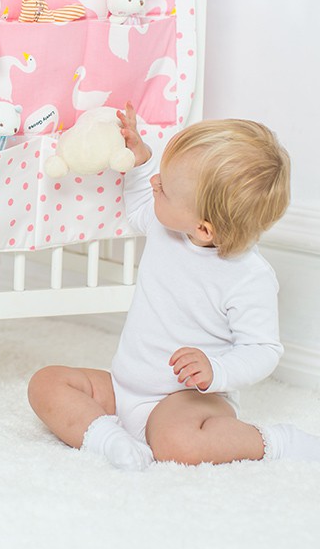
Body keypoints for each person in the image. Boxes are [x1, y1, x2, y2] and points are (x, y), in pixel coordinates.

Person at [28, 105, 320, 469]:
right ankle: (108, 438)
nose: (155, 183)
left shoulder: (249, 277)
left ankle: (276, 441)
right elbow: (137, 207)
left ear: (204, 229)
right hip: (125, 388)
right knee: (46, 383)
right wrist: (140, 161)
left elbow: (263, 349)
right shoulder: (170, 226)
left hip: (186, 400)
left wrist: (217, 369)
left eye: (163, 186)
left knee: (177, 443)